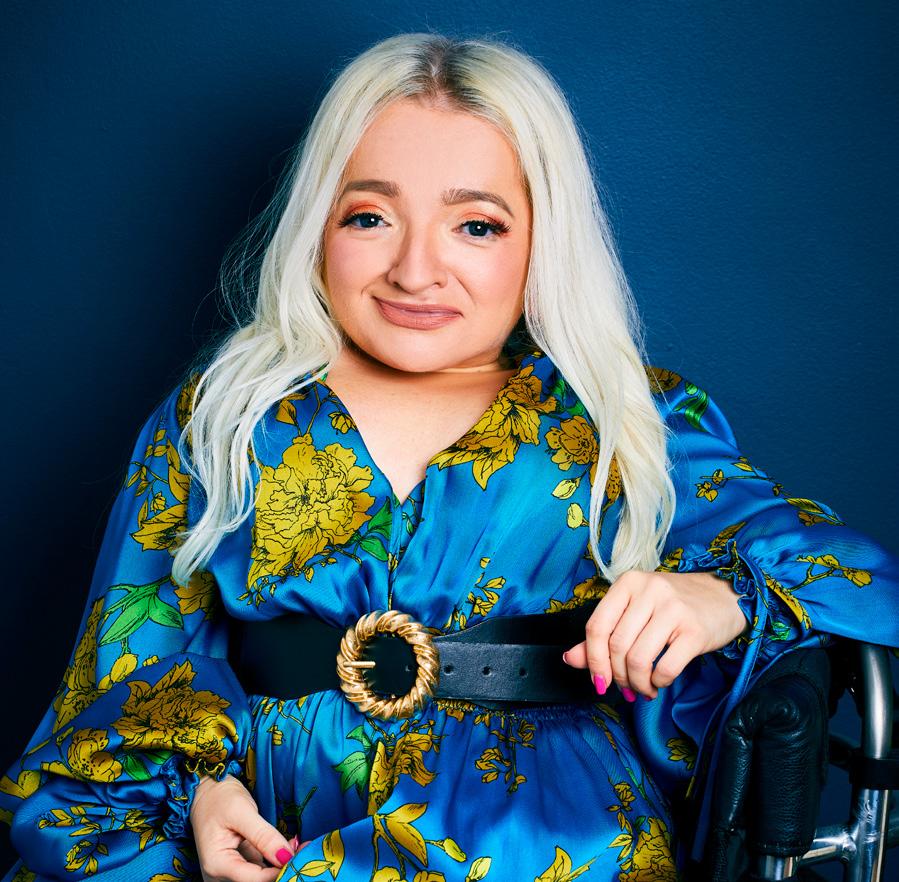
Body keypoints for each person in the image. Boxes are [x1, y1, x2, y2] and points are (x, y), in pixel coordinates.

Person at [1, 32, 896, 882]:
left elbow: (850, 573)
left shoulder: (626, 419)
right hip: (282, 837)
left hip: (548, 849)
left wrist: (721, 595)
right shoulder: (228, 415)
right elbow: (133, 657)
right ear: (318, 226)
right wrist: (197, 790)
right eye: (369, 217)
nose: (415, 270)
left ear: (541, 239)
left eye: (476, 226)